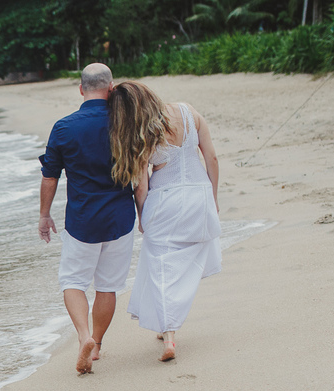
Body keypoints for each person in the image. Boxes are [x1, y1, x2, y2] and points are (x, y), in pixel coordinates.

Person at [107, 80, 221, 362]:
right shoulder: (188, 111)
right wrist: (213, 198)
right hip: (199, 195)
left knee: (161, 264)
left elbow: (142, 184)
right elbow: (212, 158)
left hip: (165, 201)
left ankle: (169, 334)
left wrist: (142, 214)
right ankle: (164, 323)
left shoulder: (142, 130)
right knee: (182, 262)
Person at [38, 63, 136, 375]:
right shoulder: (126, 123)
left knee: (73, 281)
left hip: (82, 220)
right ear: (111, 88)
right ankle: (97, 343)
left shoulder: (65, 127)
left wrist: (44, 215)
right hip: (120, 217)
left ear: (81, 89)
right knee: (108, 287)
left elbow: (50, 178)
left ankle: (83, 336)